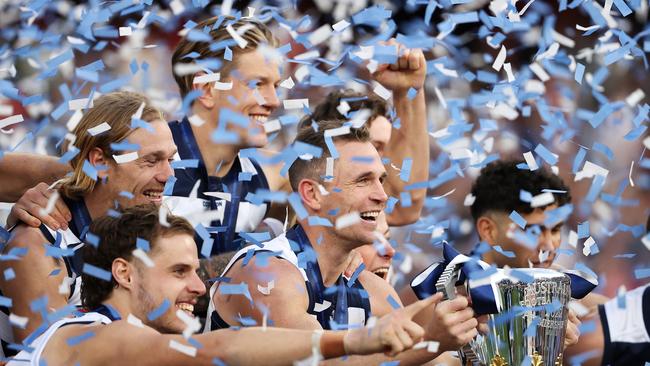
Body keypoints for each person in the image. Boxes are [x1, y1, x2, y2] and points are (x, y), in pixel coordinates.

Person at [6, 204, 443, 365]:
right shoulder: (93, 339)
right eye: (179, 272)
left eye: (197, 271)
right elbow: (220, 351)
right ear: (125, 274)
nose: (199, 287)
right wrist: (353, 341)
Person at [208, 121, 479, 365]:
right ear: (312, 194)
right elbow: (322, 364)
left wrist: (467, 339)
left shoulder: (373, 291)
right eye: (363, 181)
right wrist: (432, 341)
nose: (382, 196)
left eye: (380, 180)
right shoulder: (265, 274)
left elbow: (433, 362)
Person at [0, 91, 177, 356]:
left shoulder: (151, 213)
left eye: (170, 159)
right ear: (100, 162)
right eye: (151, 161)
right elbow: (47, 360)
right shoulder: (39, 246)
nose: (168, 175)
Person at [406, 159, 599, 364]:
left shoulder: (574, 299)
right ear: (489, 230)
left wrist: (555, 354)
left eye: (555, 230)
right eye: (533, 231)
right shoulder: (432, 298)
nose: (549, 246)